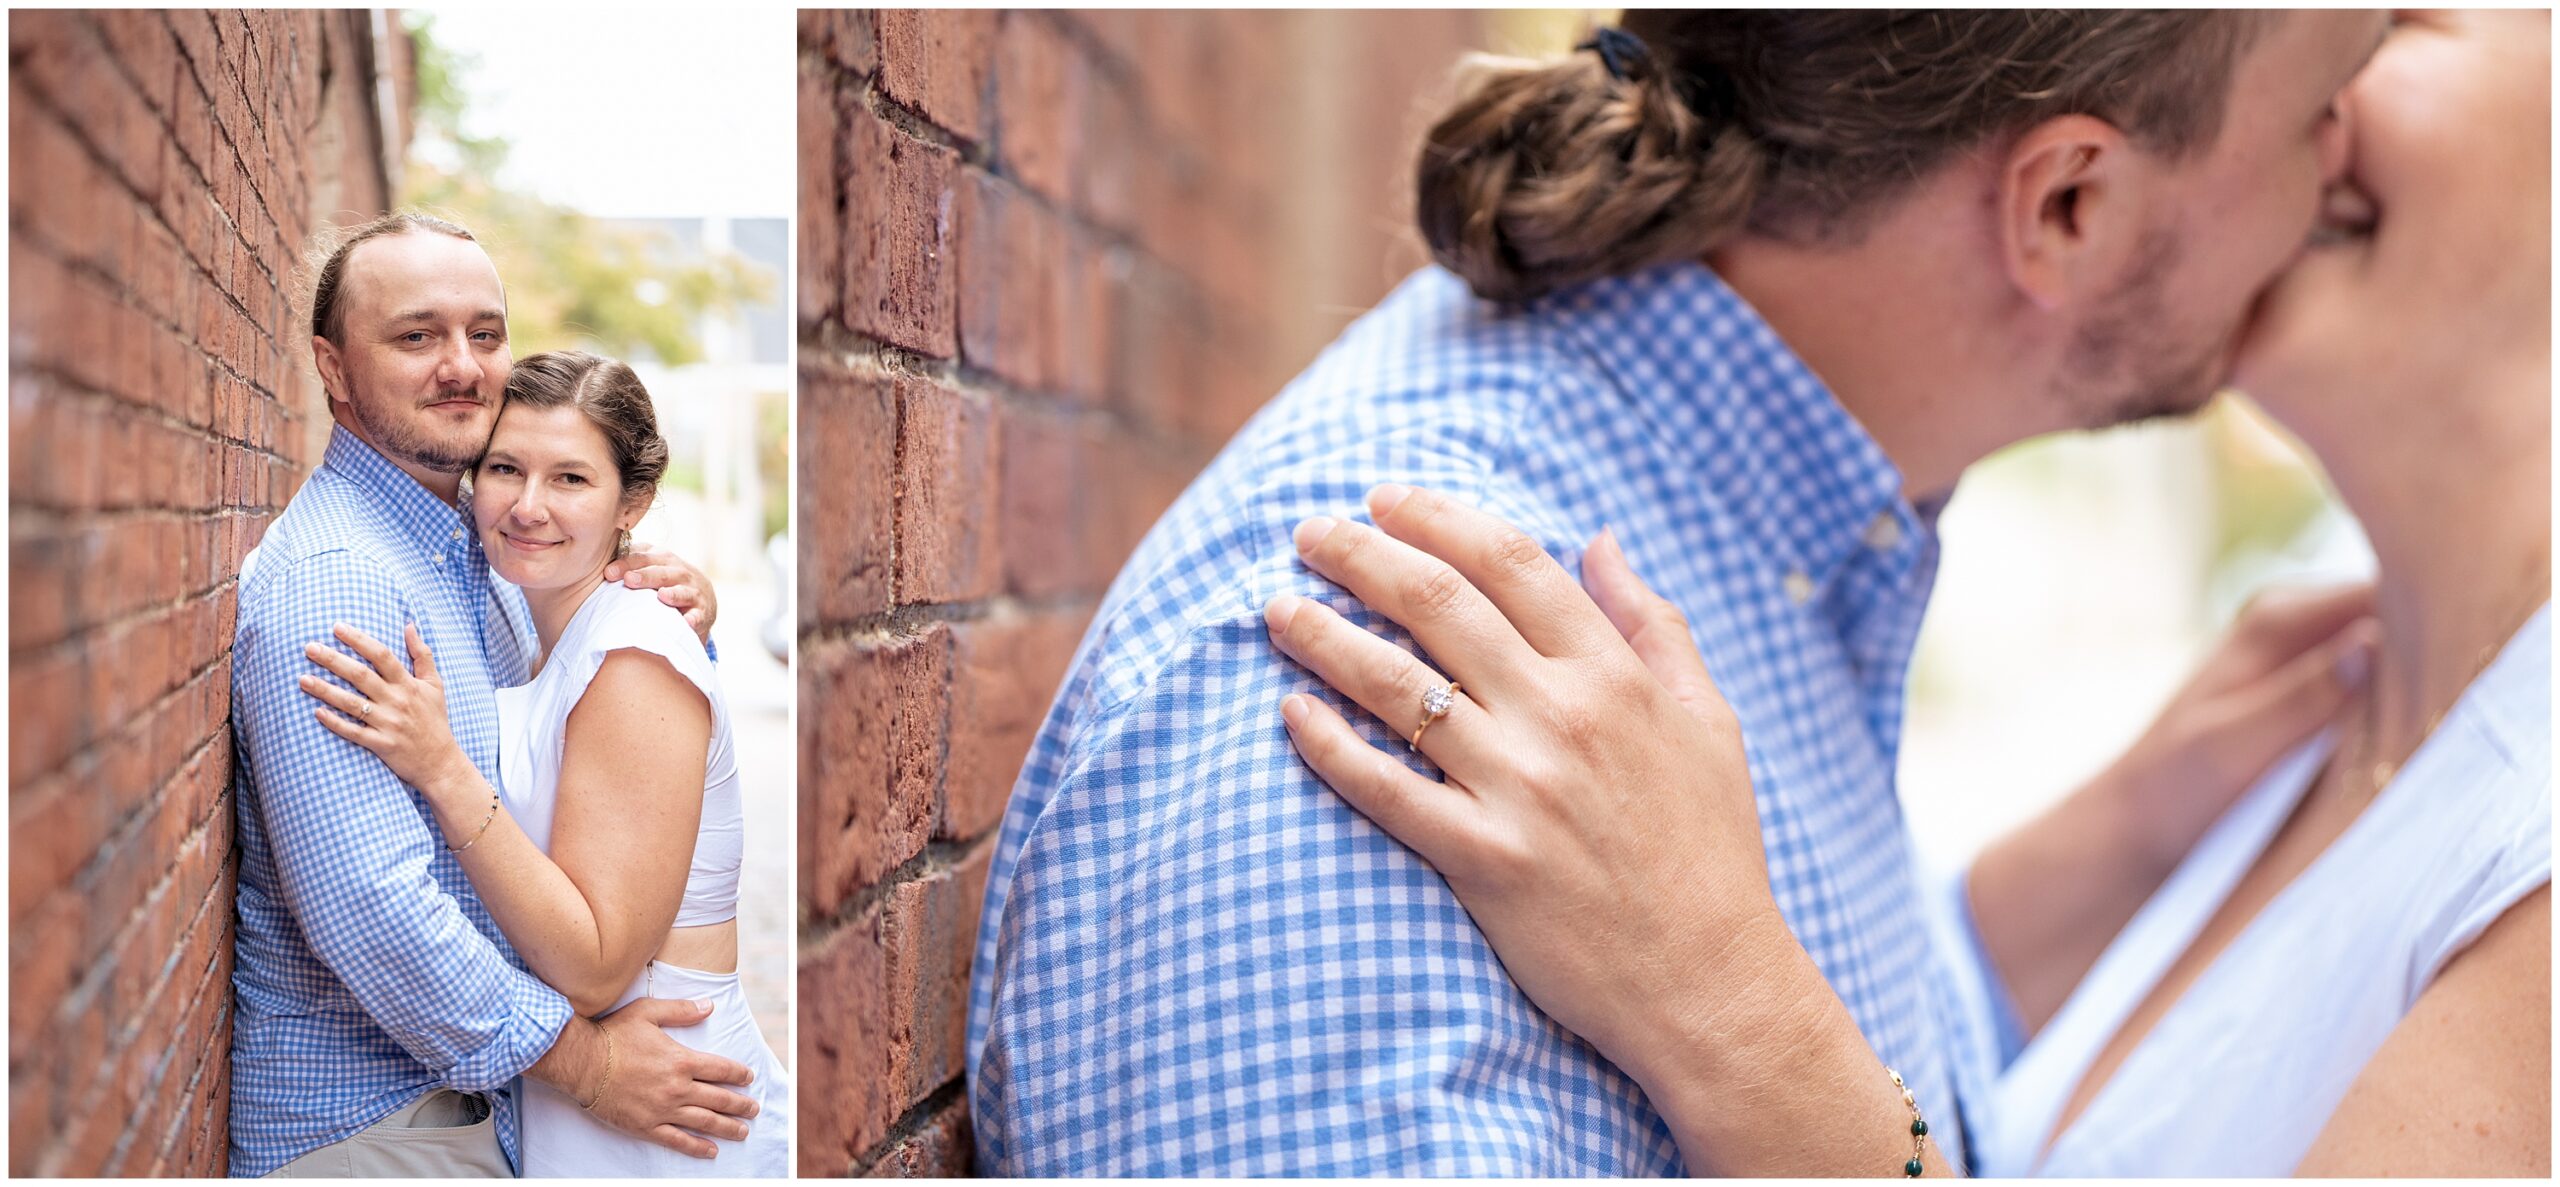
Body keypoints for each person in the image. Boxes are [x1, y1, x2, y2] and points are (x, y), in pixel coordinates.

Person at [966, 10, 2389, 1174]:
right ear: (2069, 202)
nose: (2345, 157)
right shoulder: (1398, 710)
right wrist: (1748, 1024)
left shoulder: (1719, 555)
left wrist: (2131, 833)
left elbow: (1871, 1011)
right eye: (2322, 102)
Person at [229, 214, 760, 1177]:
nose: (462, 365)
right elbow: (375, 909)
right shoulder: (345, 581)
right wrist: (589, 1065)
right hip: (378, 1128)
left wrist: (654, 585)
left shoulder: (474, 558)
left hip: (476, 1114)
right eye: (416, 335)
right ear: (335, 367)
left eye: (485, 332)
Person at [306, 351, 791, 1176]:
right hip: (592, 1104)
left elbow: (596, 966)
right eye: (505, 468)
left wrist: (443, 768)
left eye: (570, 478)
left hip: (668, 1102)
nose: (529, 506)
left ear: (631, 501)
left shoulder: (632, 650)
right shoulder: (533, 624)